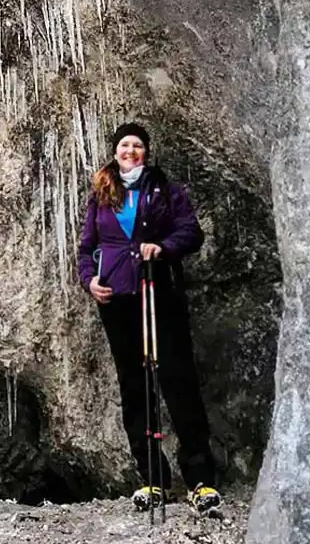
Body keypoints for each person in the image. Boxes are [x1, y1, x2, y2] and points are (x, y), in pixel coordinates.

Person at [77, 122, 222, 513]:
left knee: (177, 379)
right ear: (115, 150)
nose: (130, 150)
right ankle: (153, 477)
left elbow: (191, 232)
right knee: (134, 384)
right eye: (124, 144)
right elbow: (86, 247)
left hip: (159, 292)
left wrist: (161, 247)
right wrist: (90, 281)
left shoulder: (166, 190)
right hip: (118, 297)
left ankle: (201, 479)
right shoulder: (102, 194)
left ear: (146, 151)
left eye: (137, 145)